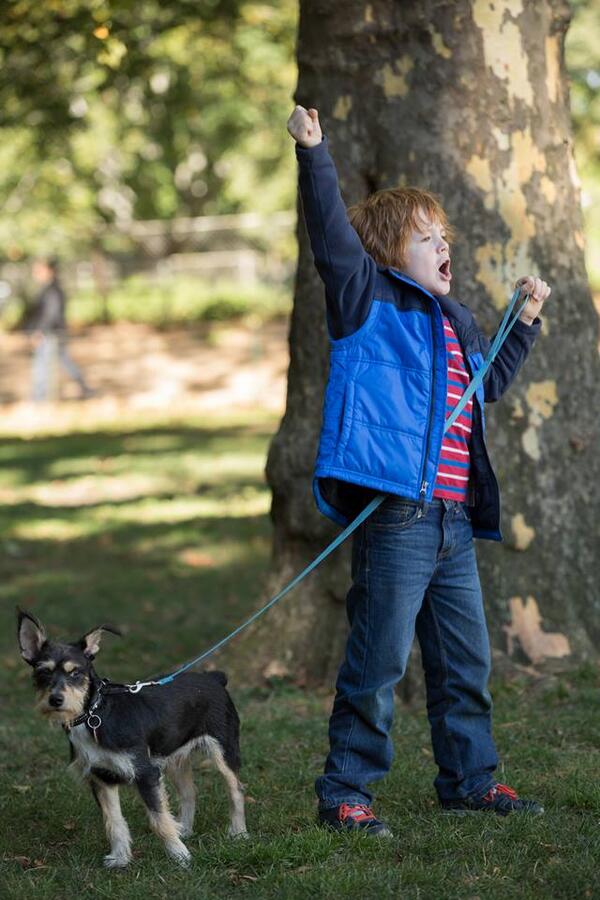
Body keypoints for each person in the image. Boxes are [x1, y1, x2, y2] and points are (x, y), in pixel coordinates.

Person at [287, 105, 551, 836]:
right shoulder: (363, 298)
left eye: (446, 238)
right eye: (426, 237)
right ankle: (347, 792)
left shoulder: (460, 320)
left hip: (454, 524)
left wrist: (522, 324)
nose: (444, 247)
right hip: (398, 519)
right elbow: (332, 237)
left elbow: (487, 384)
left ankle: (470, 780)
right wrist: (315, 154)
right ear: (386, 253)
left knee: (465, 666)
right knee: (377, 667)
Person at [29, 258, 94, 402]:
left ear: (50, 271)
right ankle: (84, 388)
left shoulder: (52, 290)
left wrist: (40, 331)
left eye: (39, 271)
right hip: (51, 333)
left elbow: (52, 314)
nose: (36, 274)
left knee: (41, 365)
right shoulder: (48, 289)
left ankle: (39, 398)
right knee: (64, 361)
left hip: (51, 334)